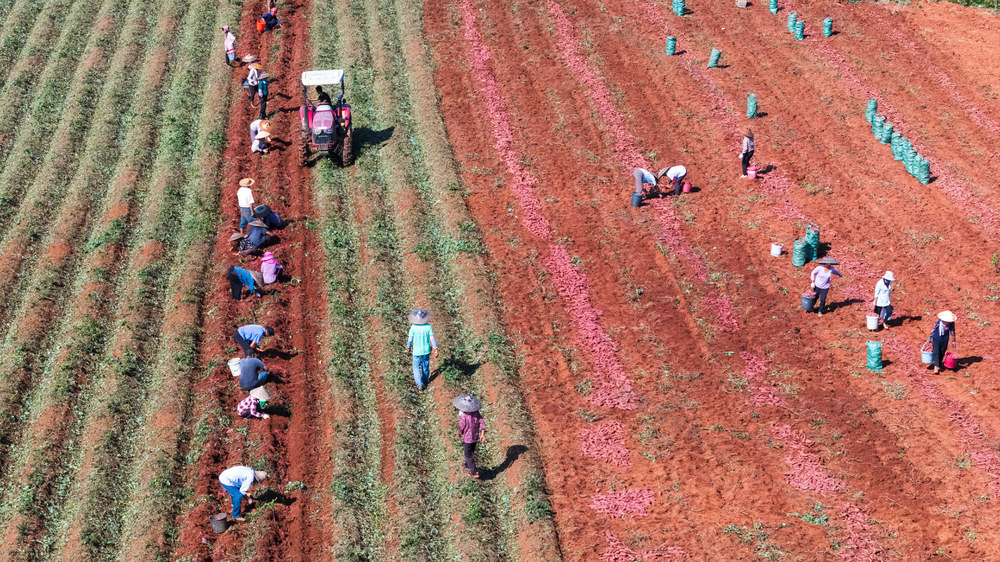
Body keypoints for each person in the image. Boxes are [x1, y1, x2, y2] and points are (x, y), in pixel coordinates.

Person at [454, 395, 486, 478]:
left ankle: (474, 472)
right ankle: (467, 464)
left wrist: (459, 433)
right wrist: (482, 434)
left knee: (468, 455)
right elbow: (482, 422)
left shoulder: (463, 416)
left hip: (468, 439)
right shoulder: (476, 413)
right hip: (475, 437)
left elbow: (461, 426)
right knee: (471, 451)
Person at [406, 309, 438, 390]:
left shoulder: (413, 327)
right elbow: (432, 339)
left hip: (416, 351)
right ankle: (425, 381)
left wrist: (408, 347)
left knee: (416, 368)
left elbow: (410, 339)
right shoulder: (428, 327)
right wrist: (435, 348)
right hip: (426, 350)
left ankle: (419, 384)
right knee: (425, 366)